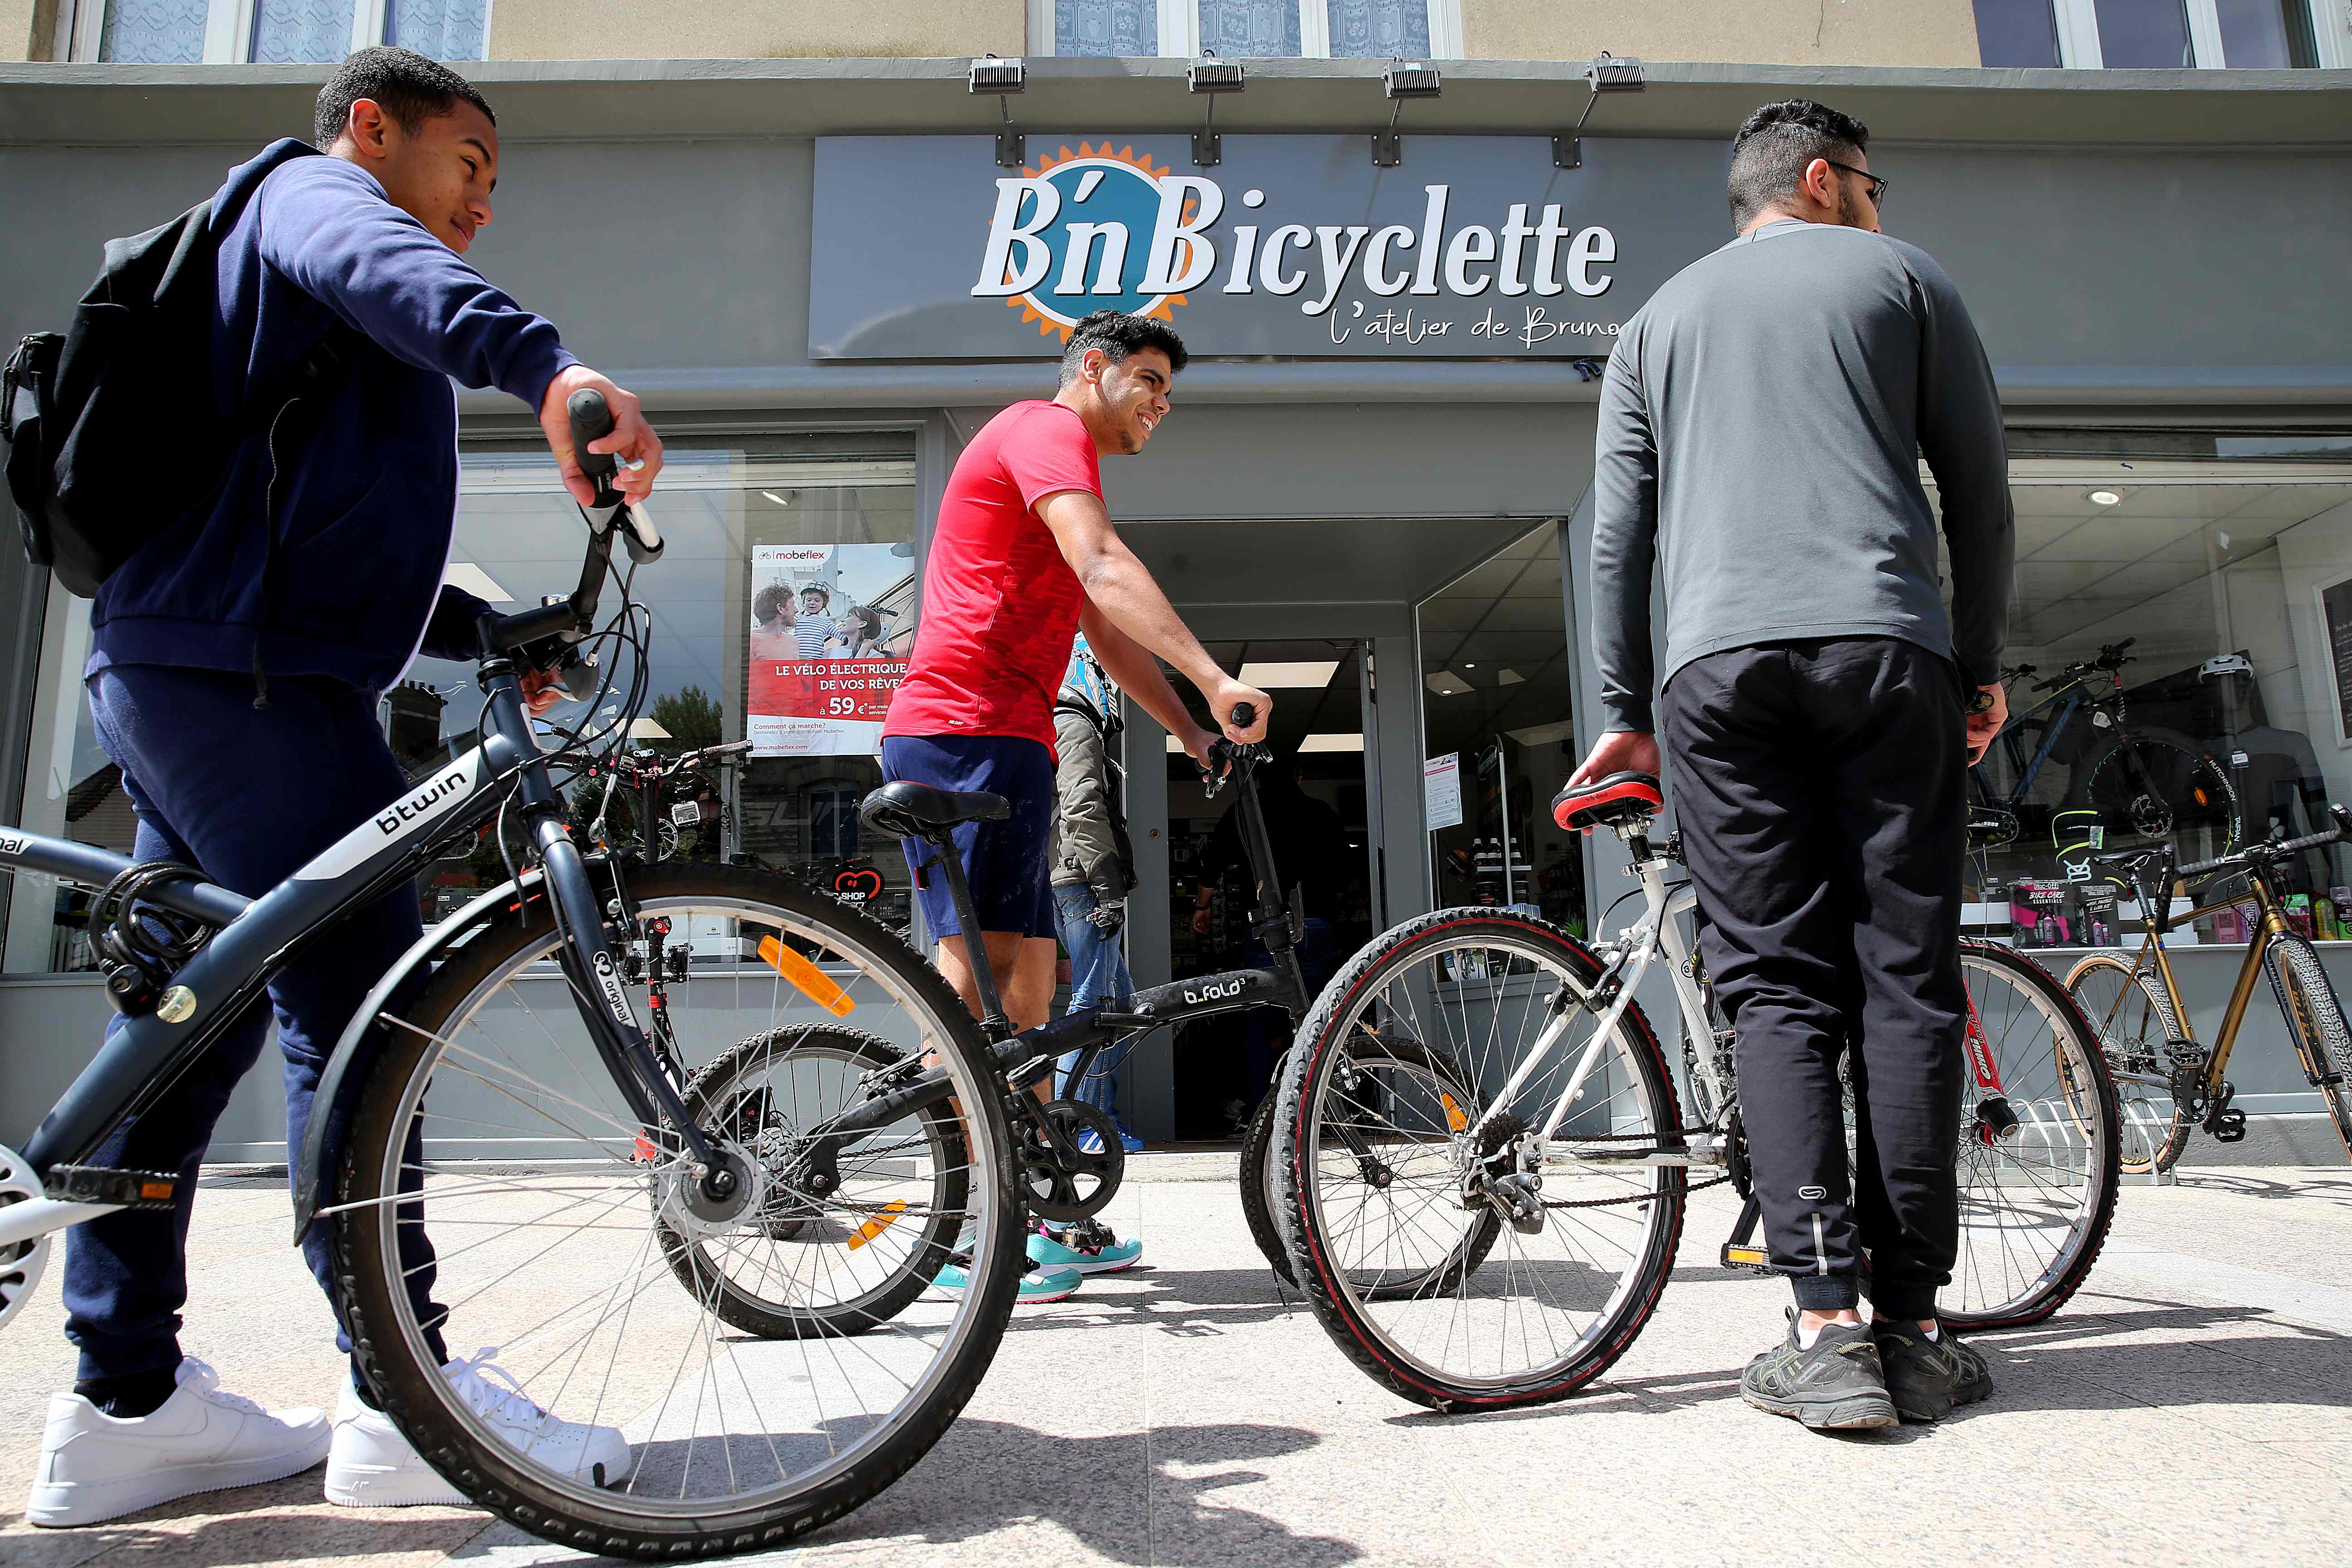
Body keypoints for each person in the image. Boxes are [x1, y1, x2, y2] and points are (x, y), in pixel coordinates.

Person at [28, 48, 662, 1529]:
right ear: (374, 132)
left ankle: (122, 1406)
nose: (482, 207)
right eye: (470, 167)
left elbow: (308, 529)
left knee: (185, 1037)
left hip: (212, 667)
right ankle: (403, 1394)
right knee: (372, 1004)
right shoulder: (316, 197)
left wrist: (480, 631)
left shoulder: (310, 279)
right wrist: (547, 366)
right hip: (243, 686)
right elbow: (392, 265)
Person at [1568, 98, 2014, 1431]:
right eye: (1872, 186)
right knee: (1905, 981)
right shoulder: (1907, 278)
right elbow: (1979, 493)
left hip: (1715, 673)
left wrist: (1620, 704)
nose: (1880, 206)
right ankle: (1916, 1329)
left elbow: (1618, 538)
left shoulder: (1653, 324)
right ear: (1823, 182)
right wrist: (1979, 664)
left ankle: (1822, 1331)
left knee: (1773, 989)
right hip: (1888, 652)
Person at [880, 308, 1270, 1303]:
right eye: (1148, 382)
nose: (1161, 406)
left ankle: (1043, 1212)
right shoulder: (1040, 429)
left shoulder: (1063, 484)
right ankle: (959, 1224)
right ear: (1092, 369)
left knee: (1035, 994)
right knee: (970, 980)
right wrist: (1219, 677)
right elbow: (1102, 567)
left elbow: (1100, 623)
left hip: (1013, 740)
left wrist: (1187, 728)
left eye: (1170, 393)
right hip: (958, 730)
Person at [1191, 753, 1350, 1121]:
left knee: (1259, 1019)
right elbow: (1343, 871)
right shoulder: (1321, 813)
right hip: (1315, 921)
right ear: (1298, 778)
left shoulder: (1244, 812)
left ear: (1259, 781)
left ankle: (1264, 1109)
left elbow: (1211, 864)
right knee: (1319, 1016)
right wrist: (1329, 907)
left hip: (1264, 925)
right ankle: (1322, 1106)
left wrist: (1201, 908)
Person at [1048, 635, 1146, 1156]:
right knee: (1093, 1010)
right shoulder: (1076, 725)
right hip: (1082, 881)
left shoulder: (1053, 721)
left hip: (1067, 877)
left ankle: (1093, 1120)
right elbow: (1082, 805)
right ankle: (1082, 1128)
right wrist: (1109, 887)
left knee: (1120, 1004)